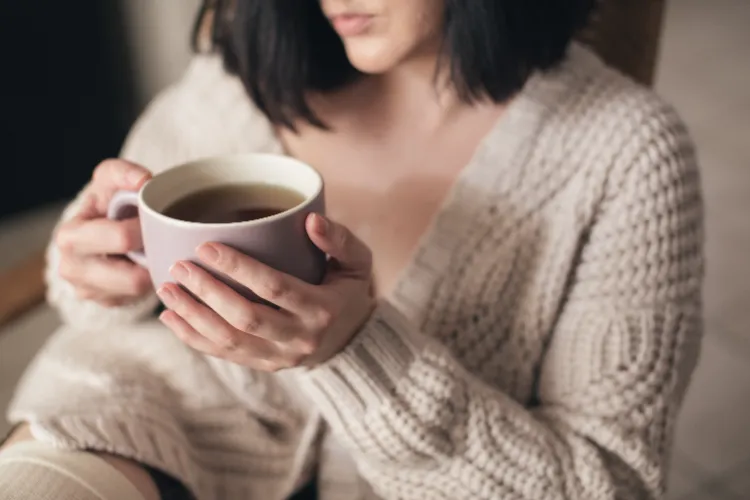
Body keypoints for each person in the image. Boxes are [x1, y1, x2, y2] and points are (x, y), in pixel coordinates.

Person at [0, 0, 704, 499]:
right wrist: (90, 271)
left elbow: (607, 486)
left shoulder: (626, 152)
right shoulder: (235, 75)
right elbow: (109, 299)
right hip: (136, 421)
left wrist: (359, 352)